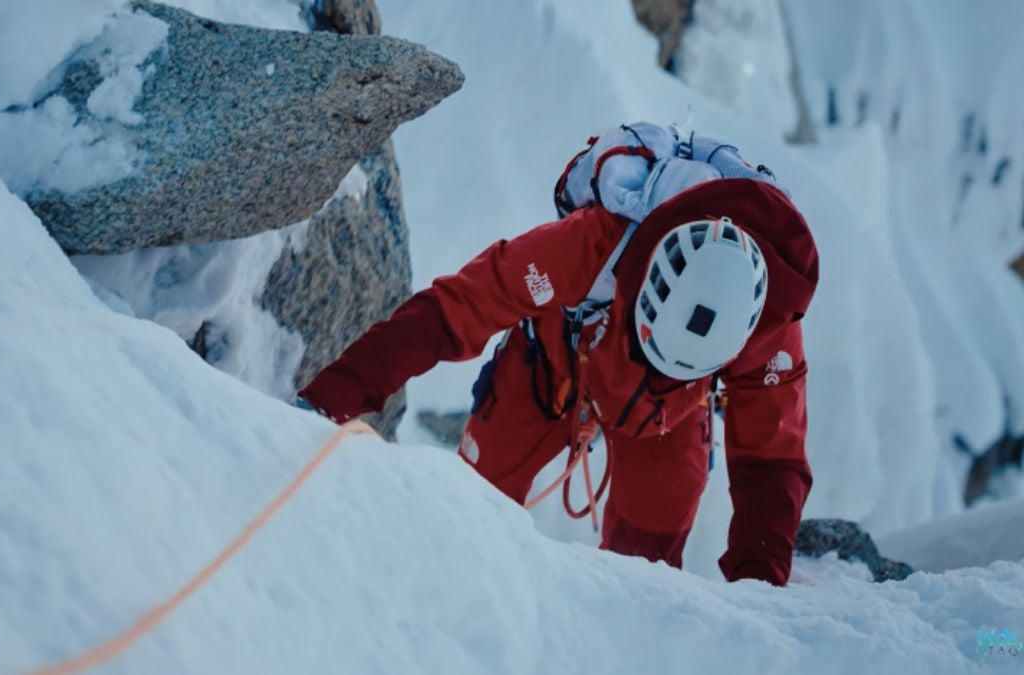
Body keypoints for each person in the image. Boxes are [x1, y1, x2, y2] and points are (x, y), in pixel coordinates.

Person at [298, 123, 819, 586]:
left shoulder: (768, 320)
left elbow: (772, 459)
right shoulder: (595, 246)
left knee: (646, 573)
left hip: (669, 418)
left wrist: (761, 587)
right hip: (553, 362)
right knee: (467, 513)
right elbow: (456, 310)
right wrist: (327, 401)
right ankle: (438, 601)